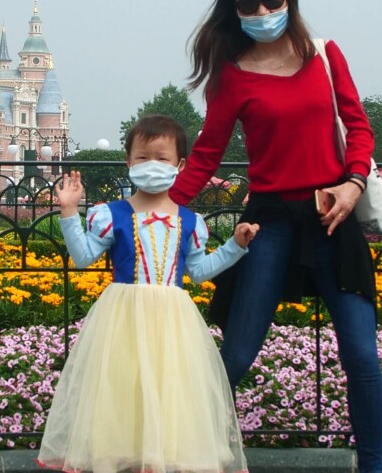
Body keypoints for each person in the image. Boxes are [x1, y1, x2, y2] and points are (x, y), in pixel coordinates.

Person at [168, 0, 382, 472]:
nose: (264, 10)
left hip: (333, 215)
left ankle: (372, 465)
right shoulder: (234, 75)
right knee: (238, 353)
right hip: (268, 224)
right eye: (250, 3)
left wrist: (354, 184)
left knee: (361, 353)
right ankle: (177, 444)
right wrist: (153, 210)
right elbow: (205, 155)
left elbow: (358, 127)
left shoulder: (326, 55)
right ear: (235, 11)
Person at [38, 114, 260, 473]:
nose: (151, 165)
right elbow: (82, 257)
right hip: (122, 319)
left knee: (169, 393)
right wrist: (68, 211)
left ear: (180, 164)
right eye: (142, 157)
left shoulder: (190, 221)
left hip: (173, 323)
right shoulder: (111, 214)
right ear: (128, 161)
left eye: (162, 157)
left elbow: (200, 272)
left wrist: (235, 246)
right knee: (124, 390)